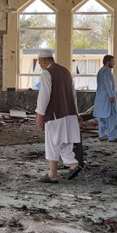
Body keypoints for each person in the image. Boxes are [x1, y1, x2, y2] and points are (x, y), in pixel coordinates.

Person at [35, 50, 83, 183]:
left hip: (55, 115)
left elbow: (44, 96)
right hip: (69, 113)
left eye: (39, 62)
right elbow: (73, 94)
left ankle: (53, 174)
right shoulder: (66, 72)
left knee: (52, 143)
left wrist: (40, 114)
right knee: (65, 142)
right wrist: (77, 113)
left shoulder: (47, 73)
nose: (40, 65)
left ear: (43, 61)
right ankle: (72, 165)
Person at [93, 54, 117, 142]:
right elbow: (108, 84)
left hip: (101, 98)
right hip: (108, 98)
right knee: (112, 117)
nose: (114, 63)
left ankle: (102, 135)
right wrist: (111, 95)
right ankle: (112, 136)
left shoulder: (101, 71)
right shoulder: (107, 71)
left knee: (102, 117)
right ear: (108, 62)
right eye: (112, 61)